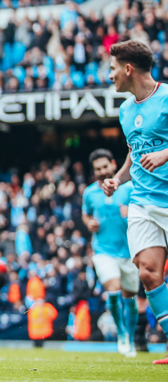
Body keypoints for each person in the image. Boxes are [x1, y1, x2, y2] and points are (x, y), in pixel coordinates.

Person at [101, 40, 168, 366]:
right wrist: (119, 177)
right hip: (142, 200)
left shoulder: (167, 97)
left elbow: (155, 151)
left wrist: (166, 153)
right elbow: (135, 149)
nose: (109, 74)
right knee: (148, 273)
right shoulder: (126, 110)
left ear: (128, 69)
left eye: (112, 68)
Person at [81, 148, 139, 357]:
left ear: (114, 165)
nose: (102, 171)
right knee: (113, 290)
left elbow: (143, 212)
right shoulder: (89, 193)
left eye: (105, 166)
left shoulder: (129, 188)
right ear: (94, 172)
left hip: (129, 251)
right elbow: (86, 215)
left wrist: (131, 213)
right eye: (98, 169)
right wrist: (90, 224)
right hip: (103, 251)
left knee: (130, 298)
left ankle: (129, 338)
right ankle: (121, 332)